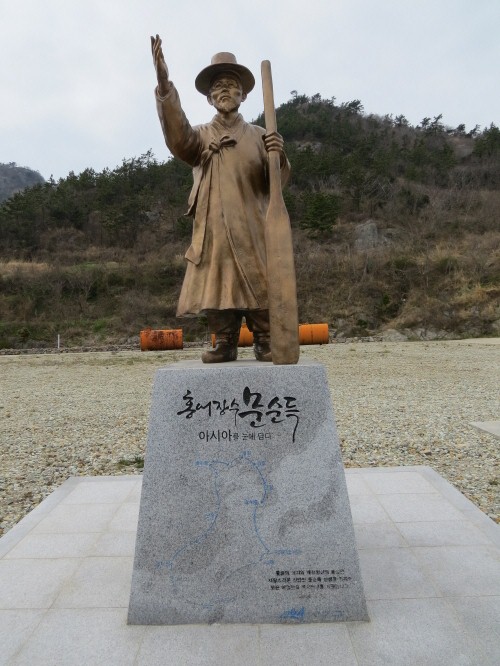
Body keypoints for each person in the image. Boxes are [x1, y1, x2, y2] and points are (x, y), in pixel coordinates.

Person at [151, 35, 290, 363]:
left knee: (260, 275)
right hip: (213, 224)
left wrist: (279, 157)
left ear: (243, 94)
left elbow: (277, 184)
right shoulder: (200, 136)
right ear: (209, 97)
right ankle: (224, 340)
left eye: (231, 85)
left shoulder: (260, 135)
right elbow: (178, 139)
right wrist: (164, 86)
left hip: (253, 223)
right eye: (218, 87)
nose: (225, 91)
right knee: (217, 280)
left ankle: (265, 338)